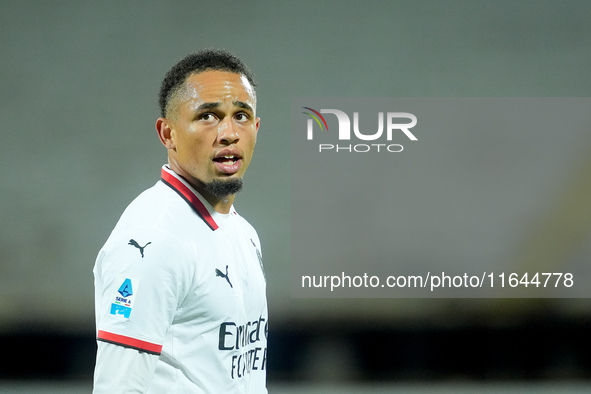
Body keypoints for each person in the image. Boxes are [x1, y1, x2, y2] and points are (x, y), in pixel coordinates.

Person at [93, 49, 267, 393]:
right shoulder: (154, 239)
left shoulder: (241, 232)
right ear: (168, 134)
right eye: (208, 116)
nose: (229, 133)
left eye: (241, 116)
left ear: (256, 128)